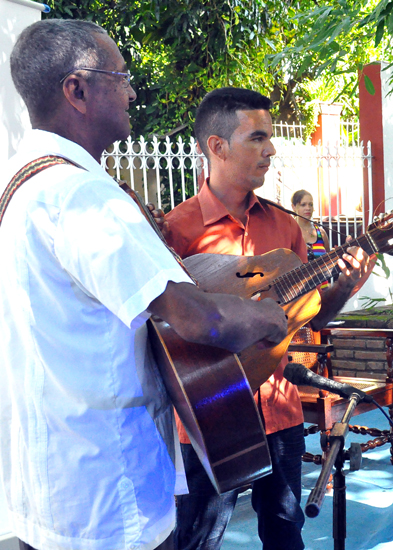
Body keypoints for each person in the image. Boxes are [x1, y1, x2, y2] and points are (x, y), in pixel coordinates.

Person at [1, 20, 288, 550]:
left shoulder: (20, 182)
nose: (133, 90)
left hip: (51, 485)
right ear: (77, 90)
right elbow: (200, 318)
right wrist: (271, 317)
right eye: (121, 76)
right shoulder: (81, 194)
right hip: (107, 493)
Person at [164, 87, 370, 550]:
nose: (271, 149)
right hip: (208, 412)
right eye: (257, 138)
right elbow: (163, 334)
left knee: (285, 531)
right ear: (216, 146)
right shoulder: (176, 231)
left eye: (270, 138)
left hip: (279, 407)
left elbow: (311, 317)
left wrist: (343, 286)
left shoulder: (285, 226)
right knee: (198, 536)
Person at [291, 189, 330, 289]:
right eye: (303, 205)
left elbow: (329, 260)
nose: (308, 208)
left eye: (310, 205)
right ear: (294, 207)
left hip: (322, 290)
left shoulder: (321, 232)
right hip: (299, 294)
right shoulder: (288, 232)